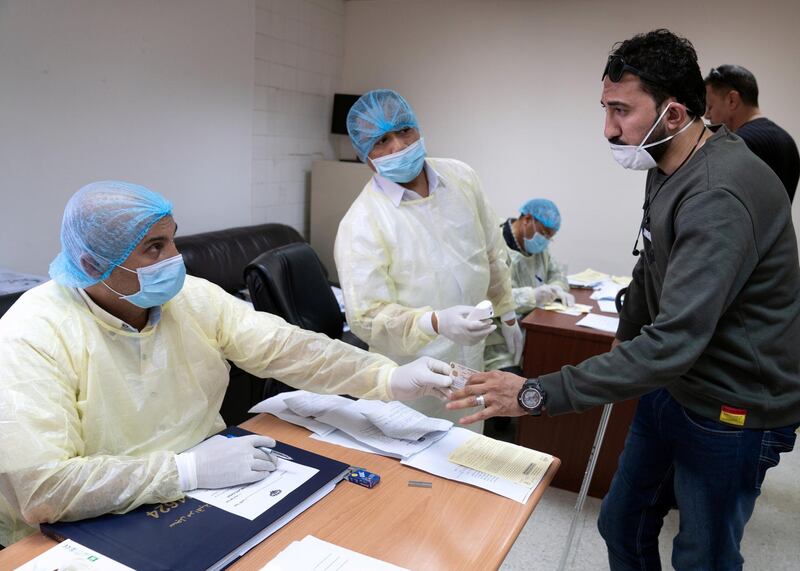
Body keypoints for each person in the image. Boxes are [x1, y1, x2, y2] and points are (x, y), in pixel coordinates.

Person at [448, 29, 800, 569]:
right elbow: (651, 271)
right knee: (620, 522)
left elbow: (675, 341)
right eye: (605, 108)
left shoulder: (718, 195)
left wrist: (538, 393)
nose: (609, 129)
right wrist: (621, 351)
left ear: (676, 114)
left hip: (733, 403)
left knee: (702, 556)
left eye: (621, 111)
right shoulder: (669, 164)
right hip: (675, 383)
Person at [0, 181, 454, 547]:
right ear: (92, 263)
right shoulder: (33, 332)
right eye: (154, 248)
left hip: (205, 491)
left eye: (173, 238)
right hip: (77, 528)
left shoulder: (190, 298)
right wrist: (184, 471)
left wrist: (384, 375)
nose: (175, 259)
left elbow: (283, 345)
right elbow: (42, 489)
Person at [334, 89, 521, 430]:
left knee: (467, 448)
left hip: (470, 359)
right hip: (408, 375)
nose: (398, 146)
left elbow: (492, 250)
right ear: (366, 156)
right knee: (411, 467)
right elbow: (366, 317)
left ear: (418, 128)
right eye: (381, 141)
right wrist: (433, 322)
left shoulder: (462, 178)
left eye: (404, 131)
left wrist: (506, 309)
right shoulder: (362, 223)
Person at [484, 198, 574, 370]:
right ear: (527, 219)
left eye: (550, 237)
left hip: (532, 335)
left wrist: (557, 288)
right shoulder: (495, 245)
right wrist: (532, 296)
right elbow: (487, 297)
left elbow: (557, 273)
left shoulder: (538, 249)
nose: (546, 240)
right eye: (544, 233)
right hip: (496, 348)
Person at [704, 64, 799, 202]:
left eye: (710, 106)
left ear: (732, 100)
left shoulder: (737, 143)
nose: (706, 115)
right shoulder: (787, 140)